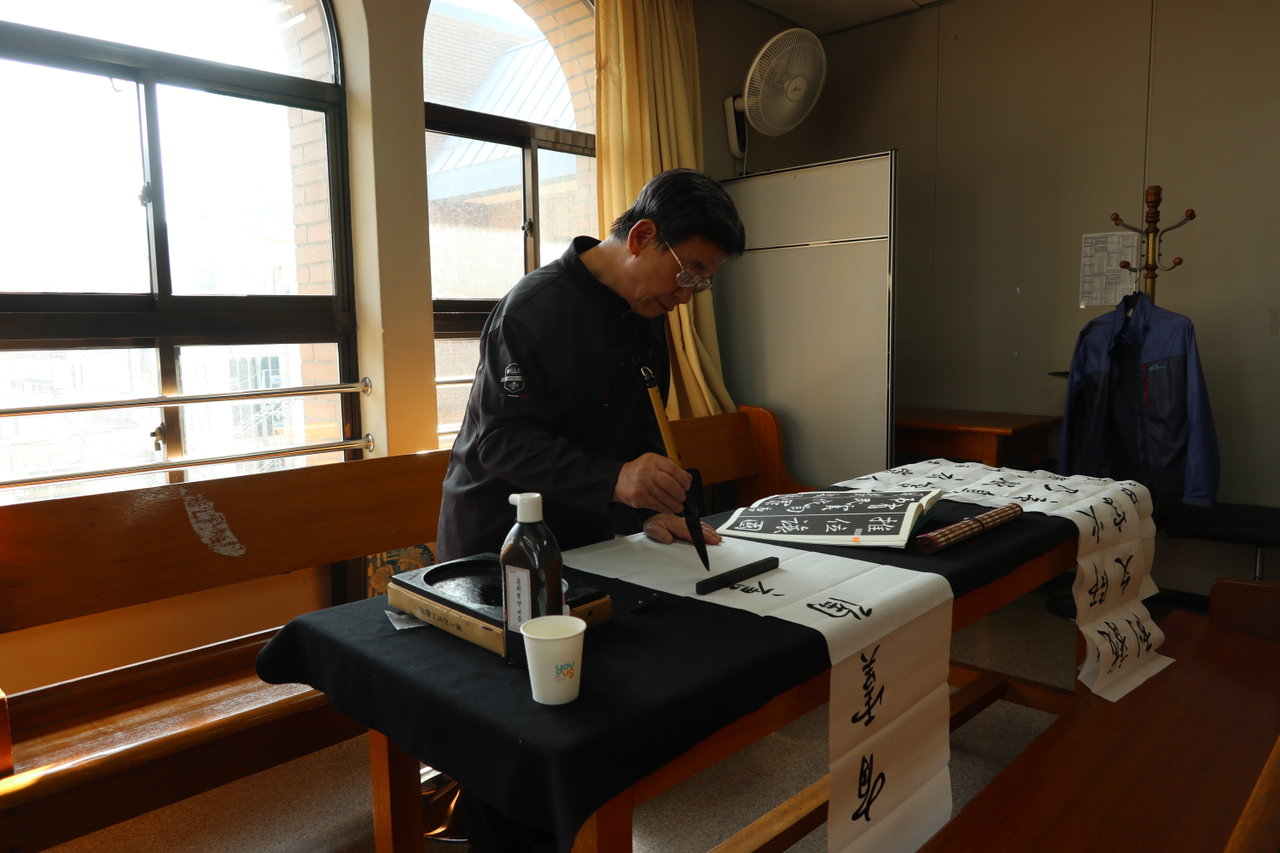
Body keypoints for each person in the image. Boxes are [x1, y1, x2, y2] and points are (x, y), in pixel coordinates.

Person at [437, 168, 747, 562]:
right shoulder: (533, 310)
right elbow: (503, 443)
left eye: (700, 283)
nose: (685, 296)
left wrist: (651, 507)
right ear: (641, 237)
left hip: (588, 538)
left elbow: (645, 423)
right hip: (500, 540)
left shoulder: (647, 310)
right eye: (686, 273)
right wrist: (616, 479)